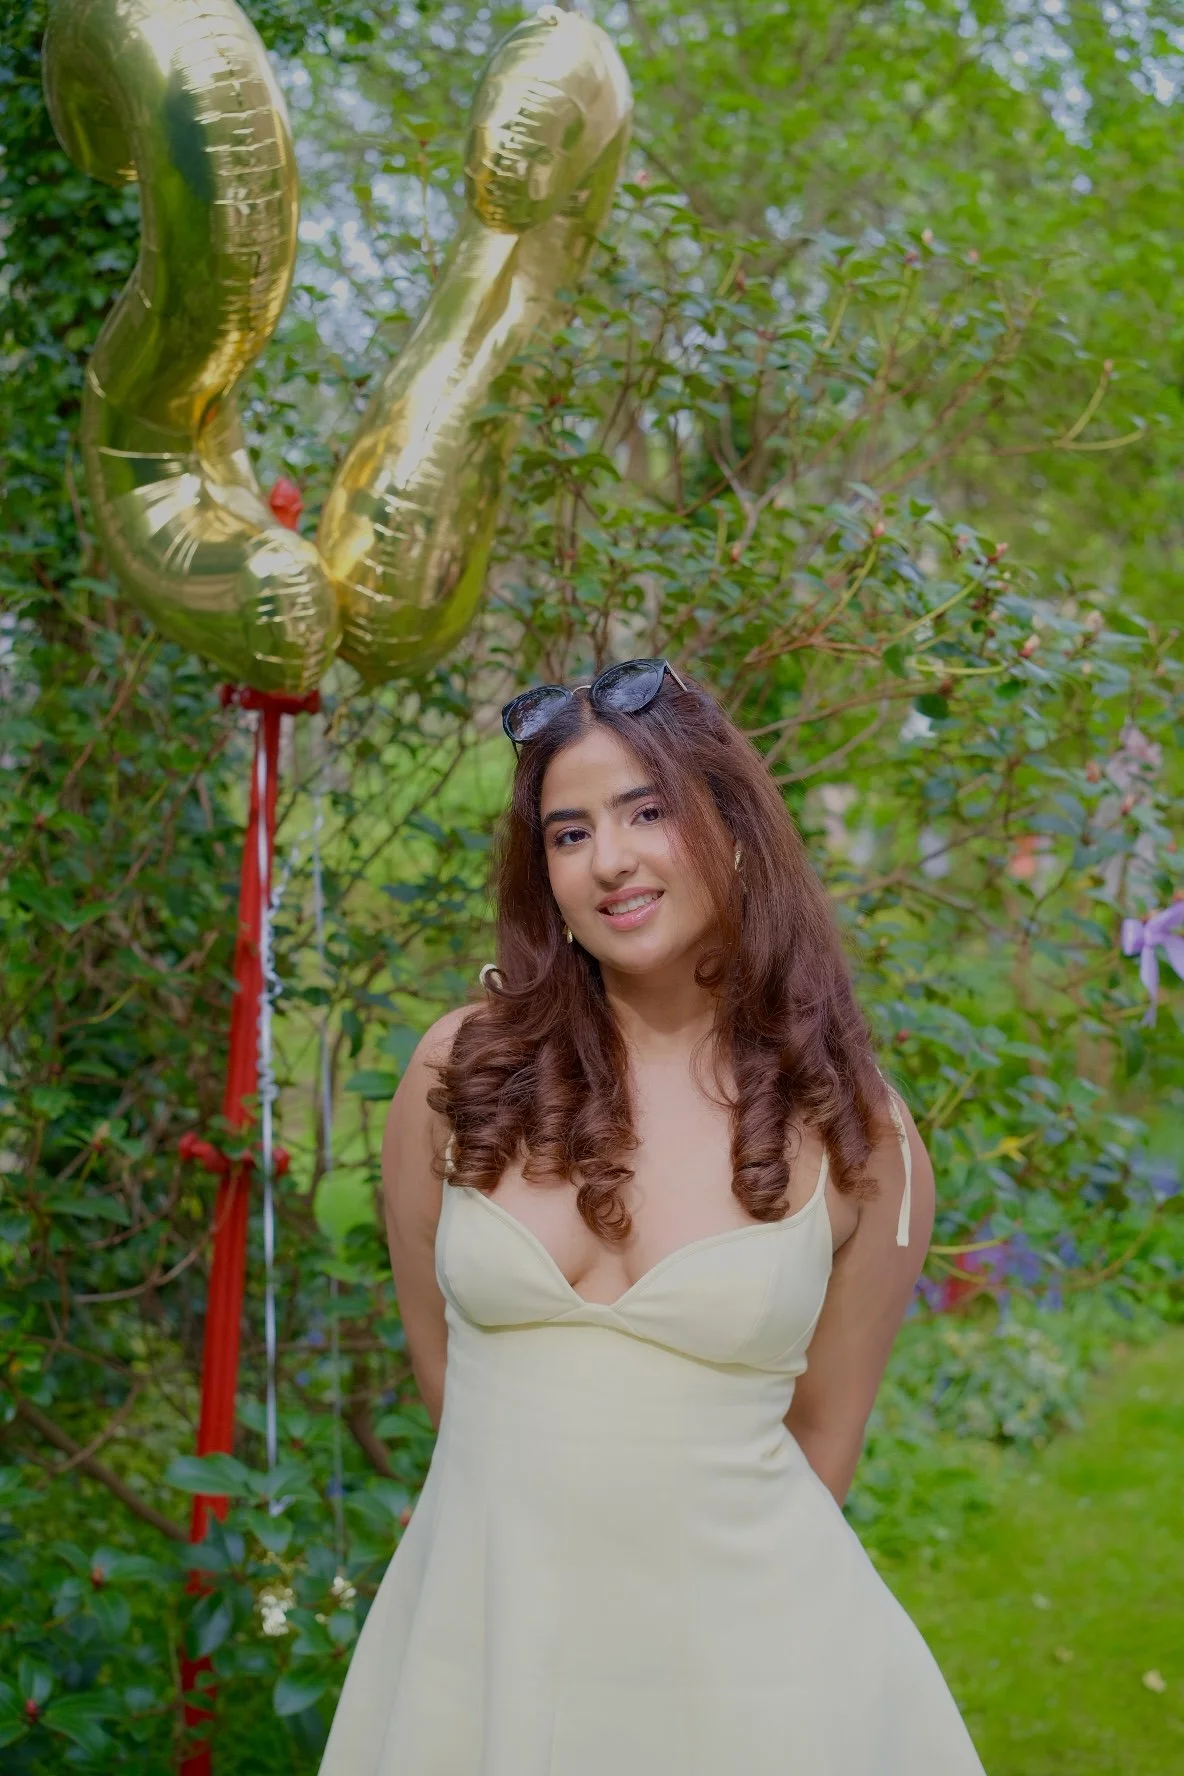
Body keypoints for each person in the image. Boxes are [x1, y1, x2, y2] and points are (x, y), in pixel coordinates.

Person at [317, 657, 987, 1774]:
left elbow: (824, 1447)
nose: (609, 860)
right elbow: (450, 1382)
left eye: (644, 811)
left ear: (728, 828)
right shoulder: (457, 1076)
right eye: (568, 833)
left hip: (753, 1681)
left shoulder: (856, 1132)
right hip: (479, 1658)